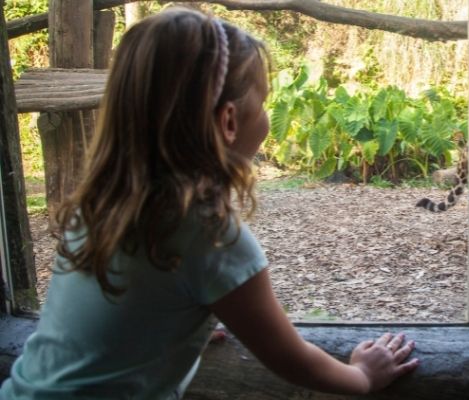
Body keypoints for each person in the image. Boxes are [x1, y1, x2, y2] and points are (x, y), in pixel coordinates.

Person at [0, 7, 418, 399]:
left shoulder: (99, 206)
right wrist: (361, 376)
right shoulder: (208, 233)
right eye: (265, 101)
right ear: (230, 121)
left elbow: (121, 315)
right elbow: (291, 358)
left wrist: (180, 322)